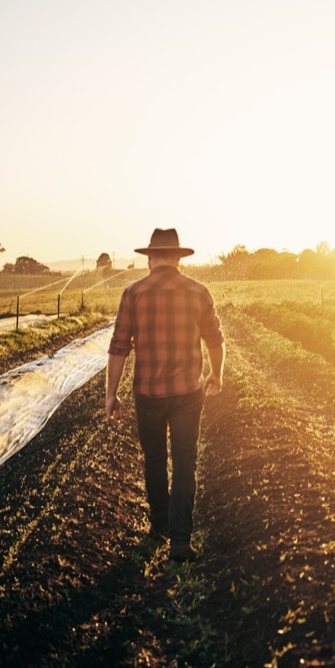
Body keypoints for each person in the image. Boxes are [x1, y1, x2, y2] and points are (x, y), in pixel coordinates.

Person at [105, 228, 224, 562]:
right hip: (188, 391)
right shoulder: (198, 292)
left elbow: (118, 348)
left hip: (147, 391)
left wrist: (110, 395)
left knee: (155, 459)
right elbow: (215, 340)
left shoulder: (133, 294)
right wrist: (217, 374)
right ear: (178, 259)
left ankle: (158, 529)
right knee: (185, 460)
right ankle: (181, 541)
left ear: (149, 259)